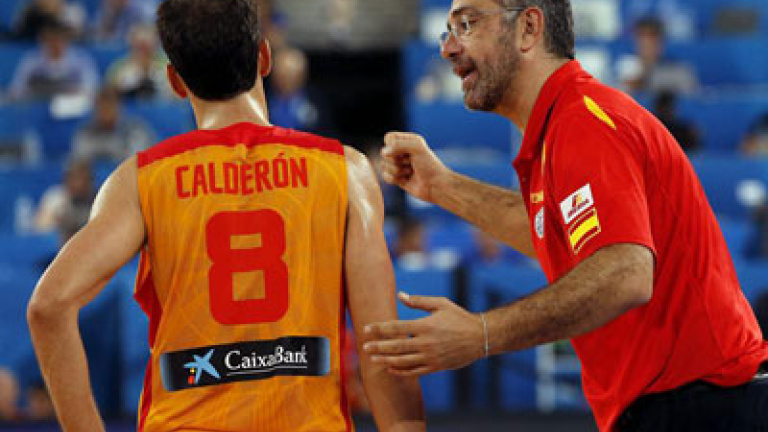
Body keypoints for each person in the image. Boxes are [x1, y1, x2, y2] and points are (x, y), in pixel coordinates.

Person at [364, 1, 768, 431]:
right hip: (688, 402)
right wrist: (441, 186)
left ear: (528, 28)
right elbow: (553, 235)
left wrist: (481, 333)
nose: (448, 48)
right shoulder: (565, 123)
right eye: (448, 30)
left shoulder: (582, 122)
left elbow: (625, 273)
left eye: (467, 23)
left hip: (703, 405)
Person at [27, 2, 425, 432]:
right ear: (265, 56)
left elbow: (48, 306)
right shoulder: (345, 171)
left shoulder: (139, 181)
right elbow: (384, 351)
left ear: (175, 81)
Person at [8, 21, 98, 102]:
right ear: (42, 40)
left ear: (66, 40)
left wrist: (72, 93)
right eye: (49, 39)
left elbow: (92, 88)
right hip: (36, 104)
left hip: (69, 105)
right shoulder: (31, 60)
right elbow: (17, 89)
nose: (54, 43)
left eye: (58, 38)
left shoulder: (81, 60)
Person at [616, 16, 698, 95]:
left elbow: (691, 99)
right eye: (641, 36)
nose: (646, 42)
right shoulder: (624, 70)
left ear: (662, 41)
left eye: (652, 36)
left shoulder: (679, 72)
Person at [72, 86, 155, 163]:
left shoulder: (135, 129)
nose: (105, 110)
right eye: (101, 106)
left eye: (110, 105)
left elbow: (137, 163)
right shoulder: (86, 131)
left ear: (119, 106)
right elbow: (78, 163)